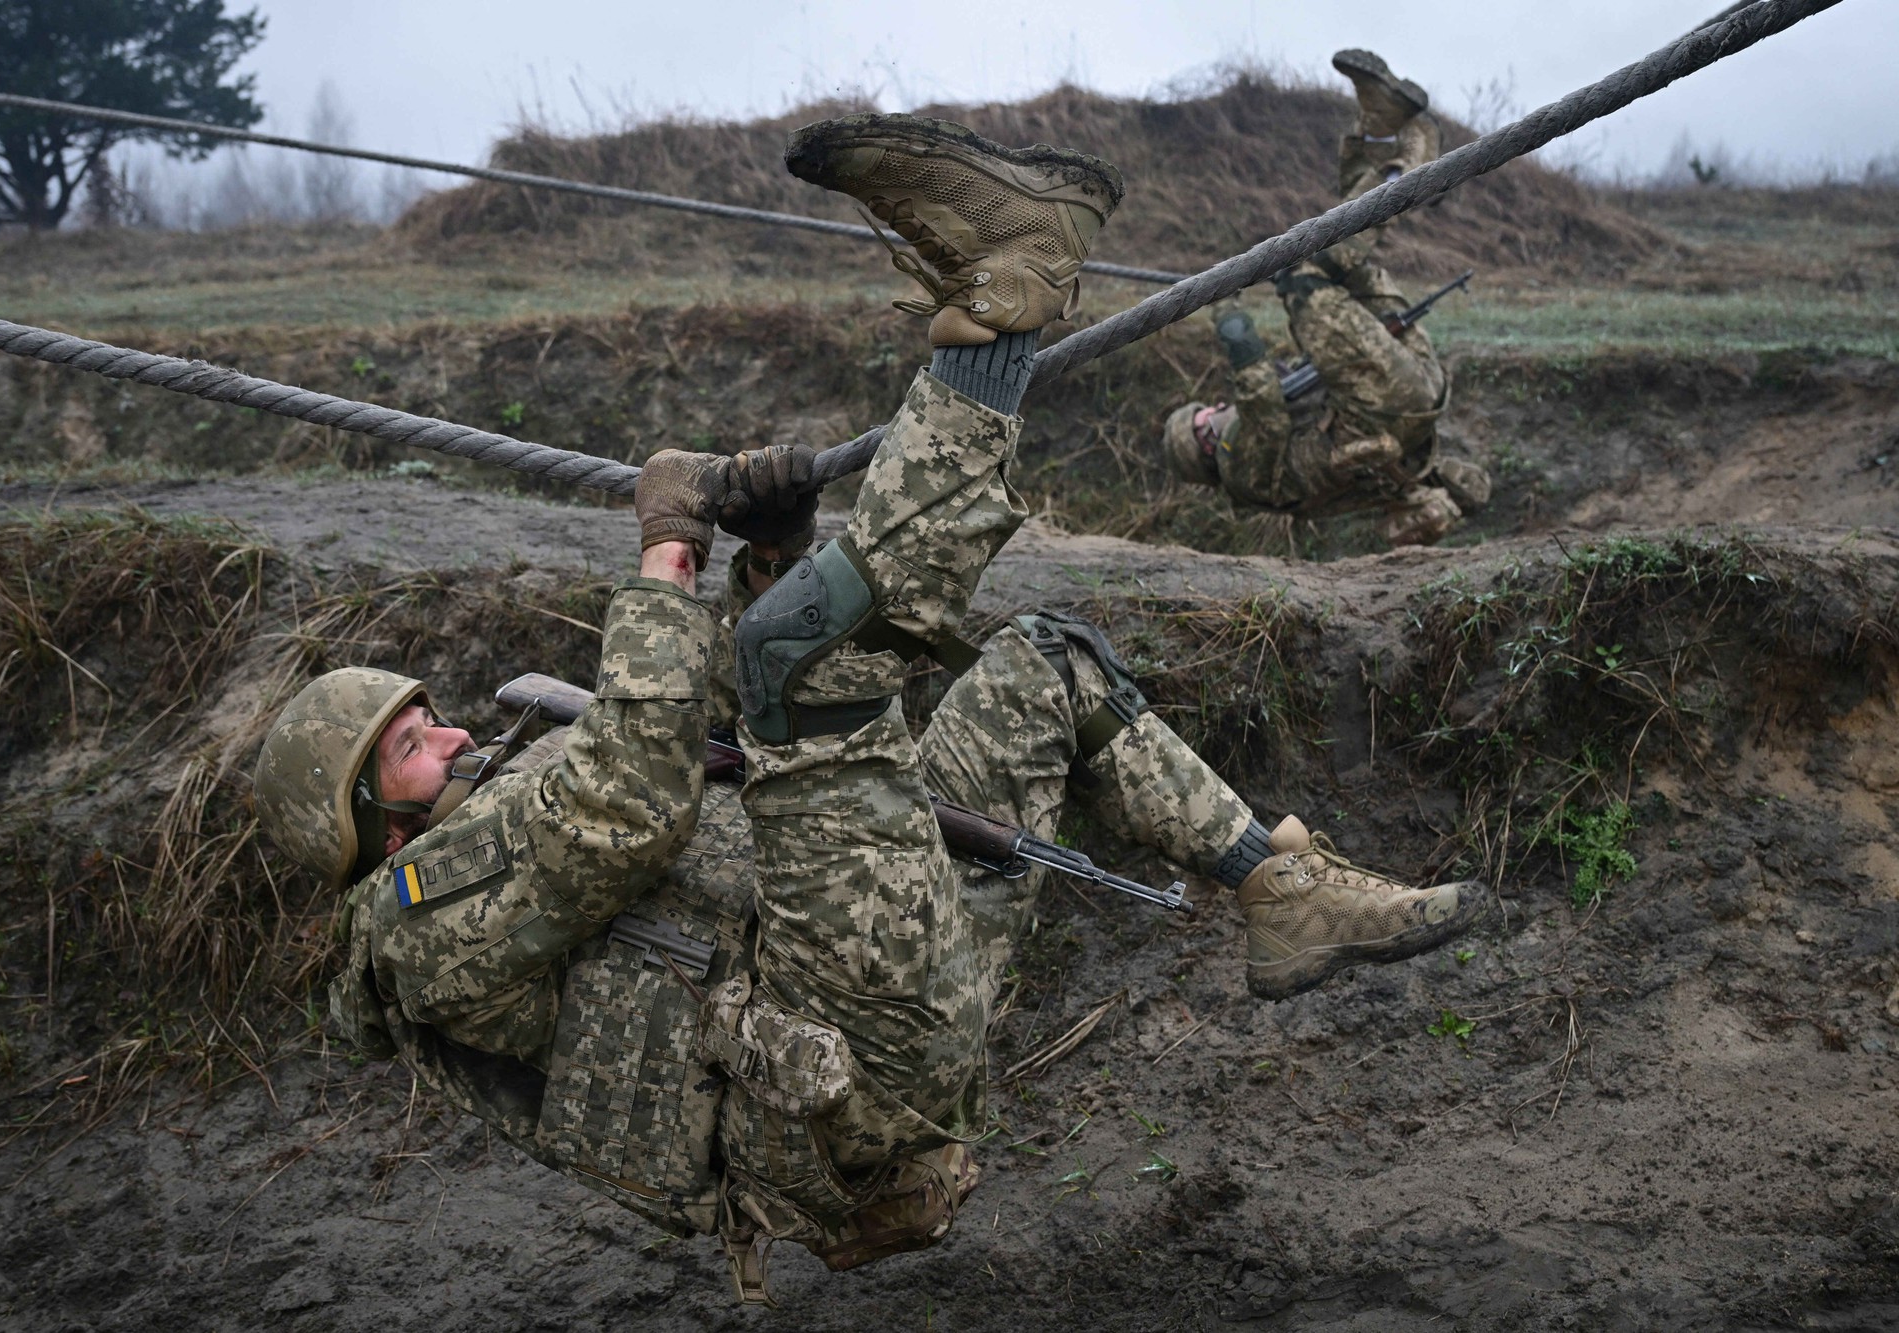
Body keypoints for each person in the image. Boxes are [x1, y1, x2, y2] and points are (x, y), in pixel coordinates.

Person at [252, 112, 1484, 1305]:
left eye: (429, 715)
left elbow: (706, 731)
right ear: (365, 826)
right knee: (801, 661)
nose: (450, 733)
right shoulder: (413, 928)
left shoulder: (505, 796)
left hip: (877, 956)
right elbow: (626, 808)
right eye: (409, 747)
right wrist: (665, 554)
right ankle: (1004, 292)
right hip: (839, 1068)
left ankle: (1279, 891)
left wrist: (771, 552)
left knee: (1036, 668)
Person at [1164, 50, 1492, 547]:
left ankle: (1386, 140)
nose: (1214, 407)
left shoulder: (1266, 475)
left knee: (1343, 261)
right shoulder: (1240, 467)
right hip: (1387, 401)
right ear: (1201, 443)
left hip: (1409, 392)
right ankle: (1403, 168)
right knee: (1304, 278)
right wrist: (1225, 307)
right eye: (1203, 415)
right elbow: (1262, 400)